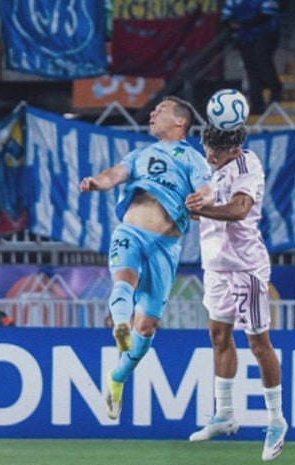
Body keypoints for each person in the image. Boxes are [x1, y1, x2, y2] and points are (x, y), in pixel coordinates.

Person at [78, 96, 213, 421]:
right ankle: (120, 324)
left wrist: (202, 199)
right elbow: (115, 174)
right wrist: (98, 182)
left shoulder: (192, 158)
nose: (152, 114)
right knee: (125, 278)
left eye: (160, 110)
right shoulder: (140, 154)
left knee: (148, 326)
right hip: (131, 231)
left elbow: (207, 189)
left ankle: (116, 378)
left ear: (180, 121)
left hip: (166, 246)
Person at [184, 124, 288, 462]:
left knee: (258, 343)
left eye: (215, 152)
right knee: (218, 335)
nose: (209, 156)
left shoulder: (247, 166)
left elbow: (239, 209)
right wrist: (197, 207)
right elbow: (210, 205)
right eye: (206, 149)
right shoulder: (212, 168)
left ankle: (276, 421)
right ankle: (224, 415)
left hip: (245, 268)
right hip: (216, 266)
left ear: (233, 149)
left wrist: (202, 210)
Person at [222, 0, 283, 115]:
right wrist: (232, 25)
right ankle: (257, 104)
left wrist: (243, 24)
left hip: (266, 34)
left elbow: (267, 14)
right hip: (245, 37)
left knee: (262, 61)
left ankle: (275, 89)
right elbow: (226, 16)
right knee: (251, 68)